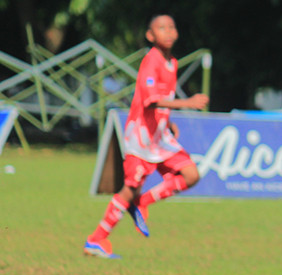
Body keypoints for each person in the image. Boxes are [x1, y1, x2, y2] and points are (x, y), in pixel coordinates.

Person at [83, 15, 209, 259]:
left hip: (159, 134)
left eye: (172, 27)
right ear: (150, 36)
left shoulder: (171, 62)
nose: (168, 31)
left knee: (191, 174)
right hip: (141, 136)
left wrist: (168, 120)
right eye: (161, 28)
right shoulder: (151, 61)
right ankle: (96, 239)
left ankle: (143, 202)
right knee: (130, 189)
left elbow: (160, 98)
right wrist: (188, 102)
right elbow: (150, 100)